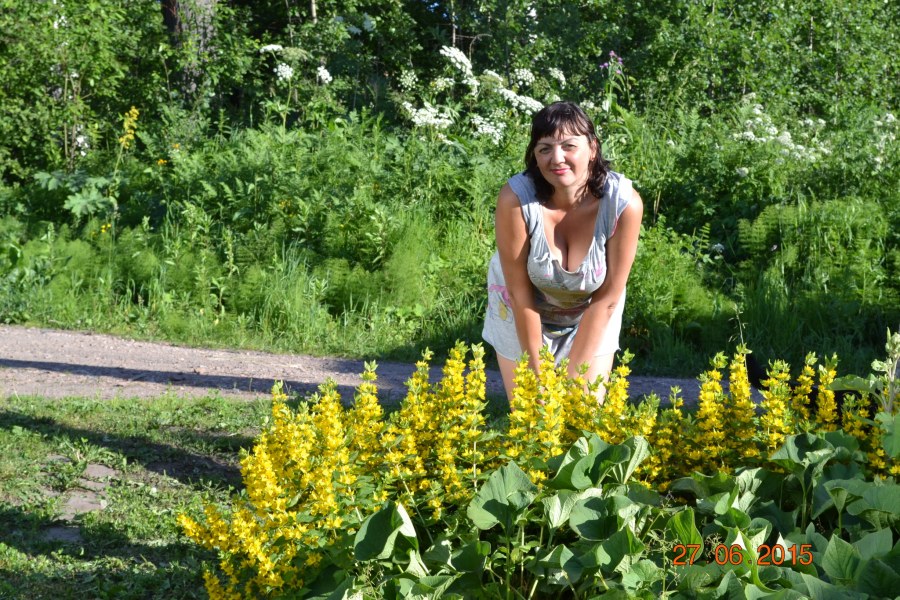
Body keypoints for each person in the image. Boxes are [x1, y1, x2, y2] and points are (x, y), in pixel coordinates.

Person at [482, 101, 643, 403]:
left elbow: (608, 299)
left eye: (569, 146)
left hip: (593, 309)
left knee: (582, 411)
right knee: (533, 414)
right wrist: (539, 378)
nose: (557, 158)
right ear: (535, 156)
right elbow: (519, 293)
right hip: (521, 307)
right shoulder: (515, 199)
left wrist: (572, 379)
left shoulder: (623, 204)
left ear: (592, 148)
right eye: (545, 149)